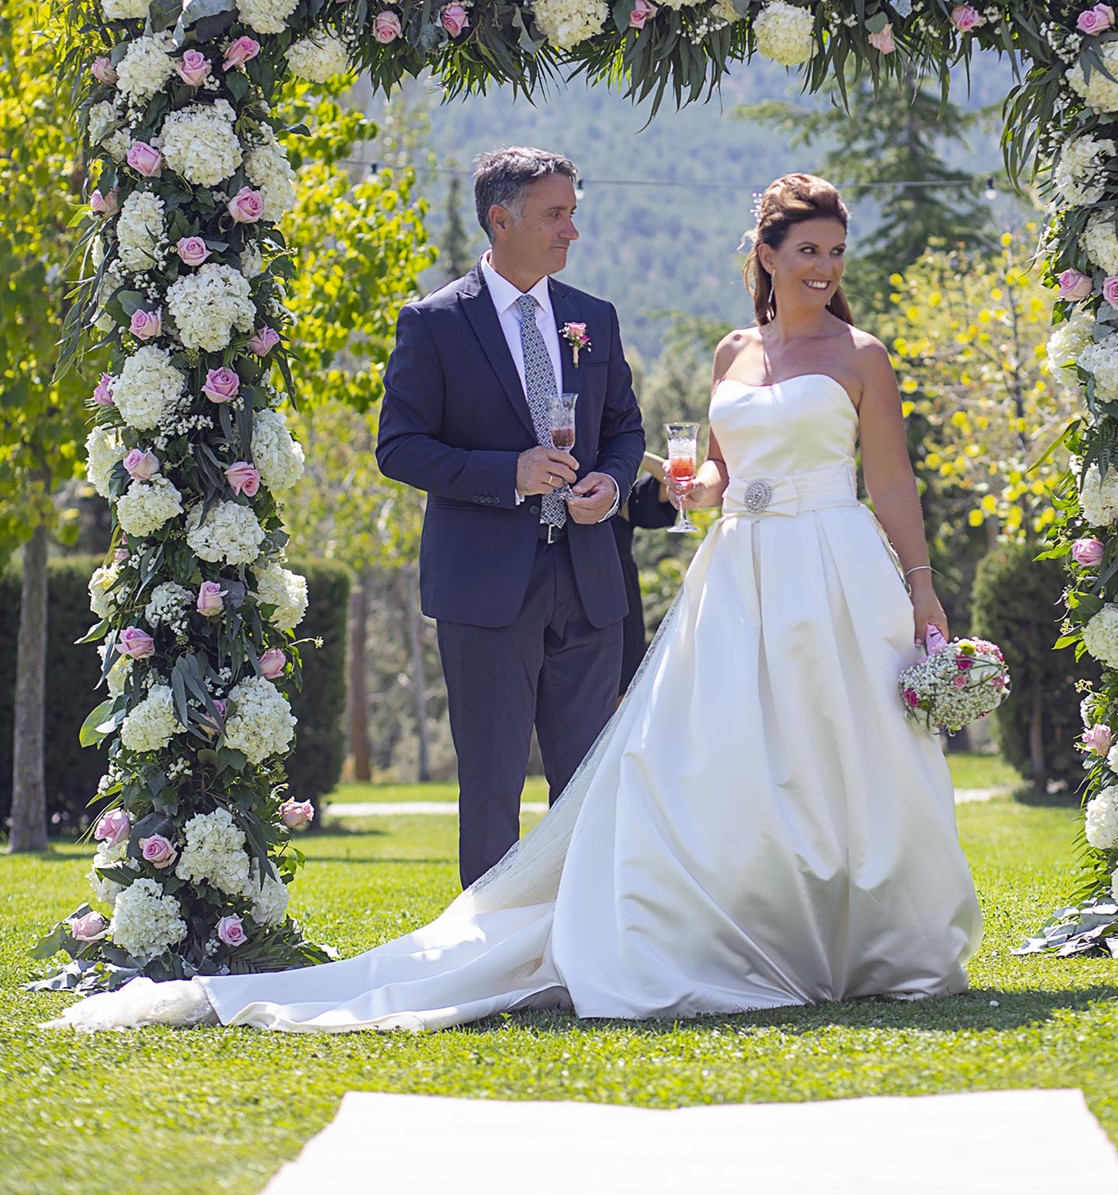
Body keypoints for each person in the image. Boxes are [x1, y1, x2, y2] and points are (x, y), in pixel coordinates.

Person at [57, 173, 982, 1033]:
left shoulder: (858, 355)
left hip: (829, 569)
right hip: (725, 574)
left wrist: (921, 586)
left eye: (835, 252)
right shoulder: (726, 351)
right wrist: (683, 492)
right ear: (768, 257)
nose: (824, 268)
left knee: (835, 746)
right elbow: (713, 475)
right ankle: (607, 927)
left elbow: (890, 485)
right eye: (808, 251)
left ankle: (853, 928)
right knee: (700, 758)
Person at [375, 146, 646, 886]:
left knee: (587, 786)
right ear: (501, 219)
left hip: (588, 583)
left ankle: (582, 946)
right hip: (485, 589)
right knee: (492, 789)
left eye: (572, 214)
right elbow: (398, 448)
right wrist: (508, 474)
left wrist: (611, 487)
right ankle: (489, 956)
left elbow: (624, 429)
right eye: (555, 215)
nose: (571, 232)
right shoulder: (433, 323)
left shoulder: (593, 318)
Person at [612, 455, 678, 693]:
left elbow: (675, 482)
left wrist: (630, 447)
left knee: (622, 694)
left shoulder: (618, 488)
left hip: (618, 605)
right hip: (561, 598)